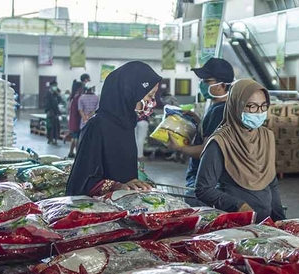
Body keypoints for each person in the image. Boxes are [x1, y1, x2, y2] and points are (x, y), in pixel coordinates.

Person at [194, 79, 285, 223]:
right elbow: (203, 189)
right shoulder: (221, 141)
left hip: (265, 224)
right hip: (234, 224)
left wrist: (280, 219)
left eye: (263, 106)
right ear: (236, 106)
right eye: (251, 107)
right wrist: (238, 205)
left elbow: (271, 182)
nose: (259, 112)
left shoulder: (267, 136)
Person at [66, 61, 161, 196]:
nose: (153, 102)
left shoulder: (127, 124)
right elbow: (81, 182)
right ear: (130, 92)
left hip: (124, 207)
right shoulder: (97, 127)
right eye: (150, 95)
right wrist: (117, 186)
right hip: (99, 212)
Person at [167, 58, 235, 204]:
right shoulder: (219, 107)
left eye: (206, 81)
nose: (202, 84)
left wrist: (179, 147)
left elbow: (206, 150)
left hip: (204, 181)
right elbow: (212, 135)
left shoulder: (219, 111)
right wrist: (198, 121)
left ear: (221, 85)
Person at [67, 81, 85, 157]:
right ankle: (77, 153)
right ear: (79, 88)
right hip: (77, 120)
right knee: (77, 137)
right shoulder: (78, 98)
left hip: (72, 120)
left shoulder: (73, 97)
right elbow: (80, 110)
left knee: (74, 137)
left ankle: (71, 152)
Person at [44, 81, 63, 145]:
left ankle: (55, 139)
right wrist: (48, 111)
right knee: (50, 127)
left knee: (56, 127)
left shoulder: (56, 93)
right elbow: (46, 103)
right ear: (51, 86)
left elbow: (60, 101)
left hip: (56, 113)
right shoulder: (48, 94)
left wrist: (58, 94)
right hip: (50, 112)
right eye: (54, 85)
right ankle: (50, 139)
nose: (55, 87)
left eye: (56, 85)